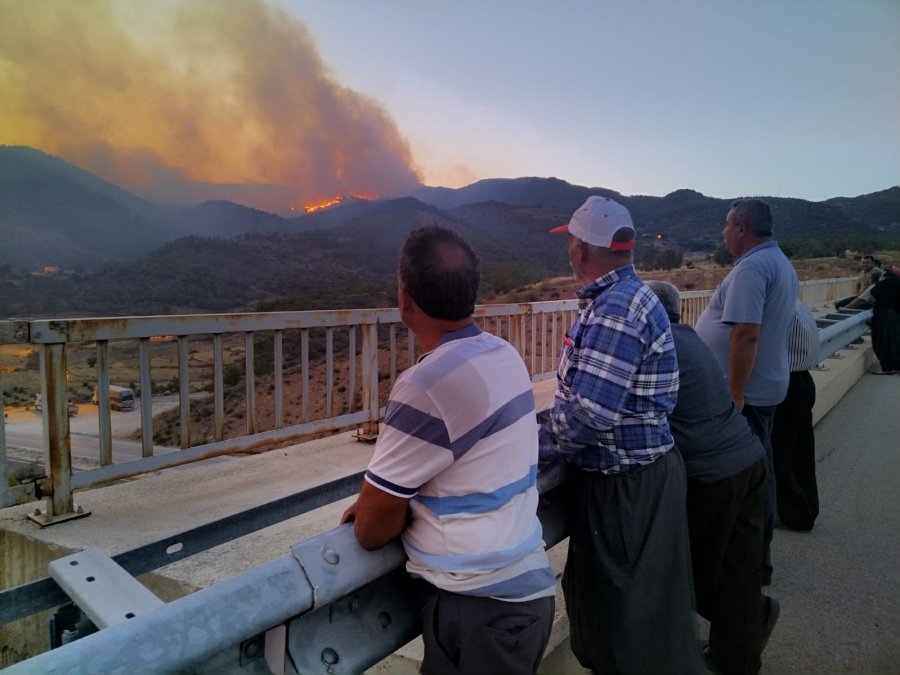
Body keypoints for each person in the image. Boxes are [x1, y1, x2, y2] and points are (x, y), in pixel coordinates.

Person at [342, 225, 557, 675]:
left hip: (479, 610)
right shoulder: (503, 353)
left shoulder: (425, 386)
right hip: (522, 597)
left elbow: (370, 531)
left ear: (404, 300)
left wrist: (378, 507)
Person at [539, 196, 701, 673]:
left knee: (629, 624)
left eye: (570, 240)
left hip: (625, 488)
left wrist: (529, 447)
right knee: (644, 615)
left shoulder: (614, 309)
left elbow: (588, 414)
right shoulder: (636, 295)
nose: (567, 248)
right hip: (641, 477)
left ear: (582, 248)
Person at [648, 280, 779, 675]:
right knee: (739, 565)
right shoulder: (688, 338)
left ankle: (749, 616)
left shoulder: (658, 346)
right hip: (749, 459)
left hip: (714, 474)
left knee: (694, 571)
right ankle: (737, 655)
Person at [695, 198, 799, 586]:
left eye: (726, 225)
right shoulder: (780, 263)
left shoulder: (753, 267)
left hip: (748, 395)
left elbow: (746, 333)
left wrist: (734, 393)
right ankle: (754, 558)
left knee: (751, 478)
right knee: (761, 470)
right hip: (766, 386)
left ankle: (753, 563)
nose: (723, 232)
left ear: (741, 228)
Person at [771, 300, 821, 531]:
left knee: (779, 452)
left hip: (787, 384)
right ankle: (809, 506)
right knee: (802, 449)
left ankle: (796, 513)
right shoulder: (801, 307)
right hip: (804, 380)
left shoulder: (780, 311)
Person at [870, 263, 900, 374]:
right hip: (896, 315)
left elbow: (874, 292)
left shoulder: (885, 282)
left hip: (884, 316)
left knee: (883, 342)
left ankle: (888, 368)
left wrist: (880, 282)